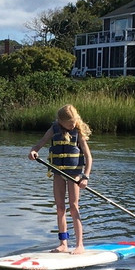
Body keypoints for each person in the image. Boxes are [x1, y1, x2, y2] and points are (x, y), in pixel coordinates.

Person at [28, 104, 93, 253]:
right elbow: (39, 144)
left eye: (74, 122)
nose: (72, 125)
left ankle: (79, 245)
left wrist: (86, 177)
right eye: (69, 123)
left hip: (74, 174)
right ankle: (63, 244)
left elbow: (89, 157)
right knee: (60, 208)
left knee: (73, 207)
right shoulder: (54, 129)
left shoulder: (78, 132)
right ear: (60, 121)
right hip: (58, 173)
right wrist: (33, 151)